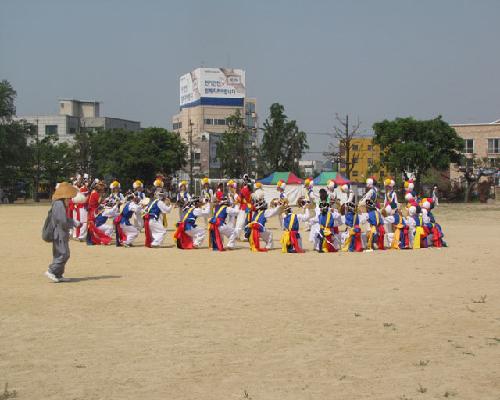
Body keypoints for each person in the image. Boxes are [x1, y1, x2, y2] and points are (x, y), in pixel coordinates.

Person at [45, 182, 80, 283]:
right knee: (64, 253)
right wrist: (72, 222)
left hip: (60, 232)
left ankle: (58, 274)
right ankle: (52, 270)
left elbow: (62, 219)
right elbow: (62, 220)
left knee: (60, 253)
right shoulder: (59, 204)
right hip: (59, 233)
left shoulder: (59, 203)